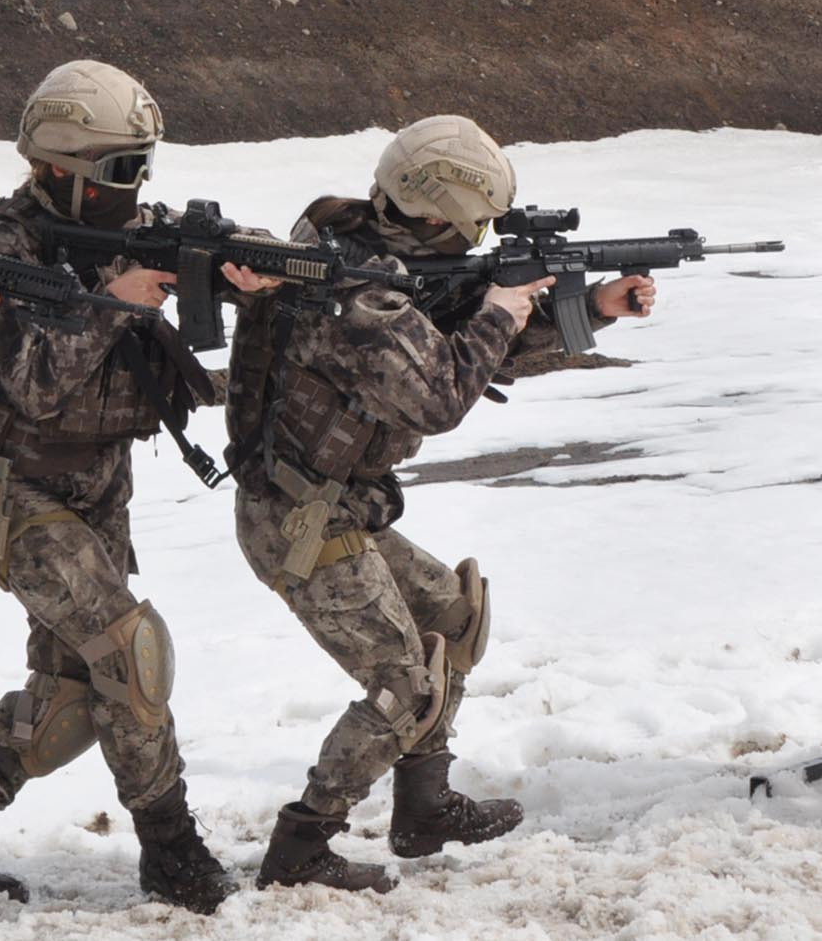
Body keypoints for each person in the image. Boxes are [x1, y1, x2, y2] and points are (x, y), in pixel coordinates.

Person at [0, 59, 272, 915]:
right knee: (129, 652)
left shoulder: (133, 227)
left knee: (70, 697)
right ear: (60, 169)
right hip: (10, 488)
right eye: (122, 170)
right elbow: (33, 386)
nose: (138, 188)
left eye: (144, 166)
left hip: (100, 483)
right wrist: (117, 300)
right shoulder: (2, 255)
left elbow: (231, 251)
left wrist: (248, 272)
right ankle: (171, 848)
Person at [227, 114, 656, 892]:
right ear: (436, 214)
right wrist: (502, 303)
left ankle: (422, 807)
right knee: (403, 685)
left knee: (451, 618)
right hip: (298, 521)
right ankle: (303, 844)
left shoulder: (370, 255)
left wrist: (589, 308)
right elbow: (441, 394)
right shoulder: (354, 295)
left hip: (340, 509)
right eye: (472, 223)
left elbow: (455, 347)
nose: (477, 236)